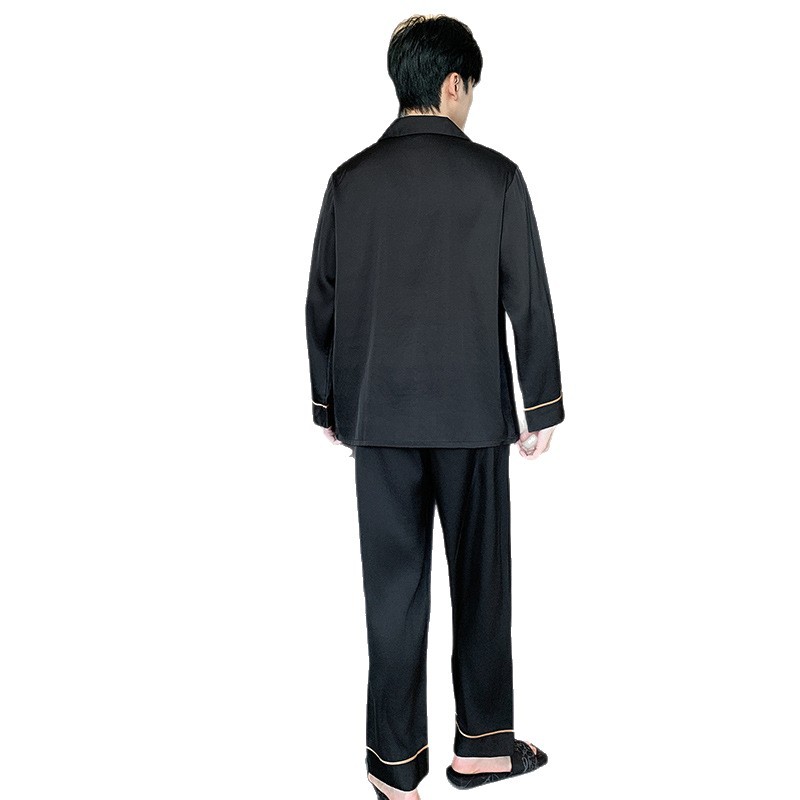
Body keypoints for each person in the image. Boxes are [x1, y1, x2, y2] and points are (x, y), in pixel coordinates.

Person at [305, 14, 565, 800]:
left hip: (378, 420)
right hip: (473, 417)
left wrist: (328, 403)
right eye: (471, 87)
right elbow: (529, 295)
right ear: (453, 83)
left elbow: (322, 300)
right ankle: (481, 748)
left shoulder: (349, 181)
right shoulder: (496, 177)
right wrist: (541, 404)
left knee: (393, 595)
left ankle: (394, 771)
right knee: (482, 584)